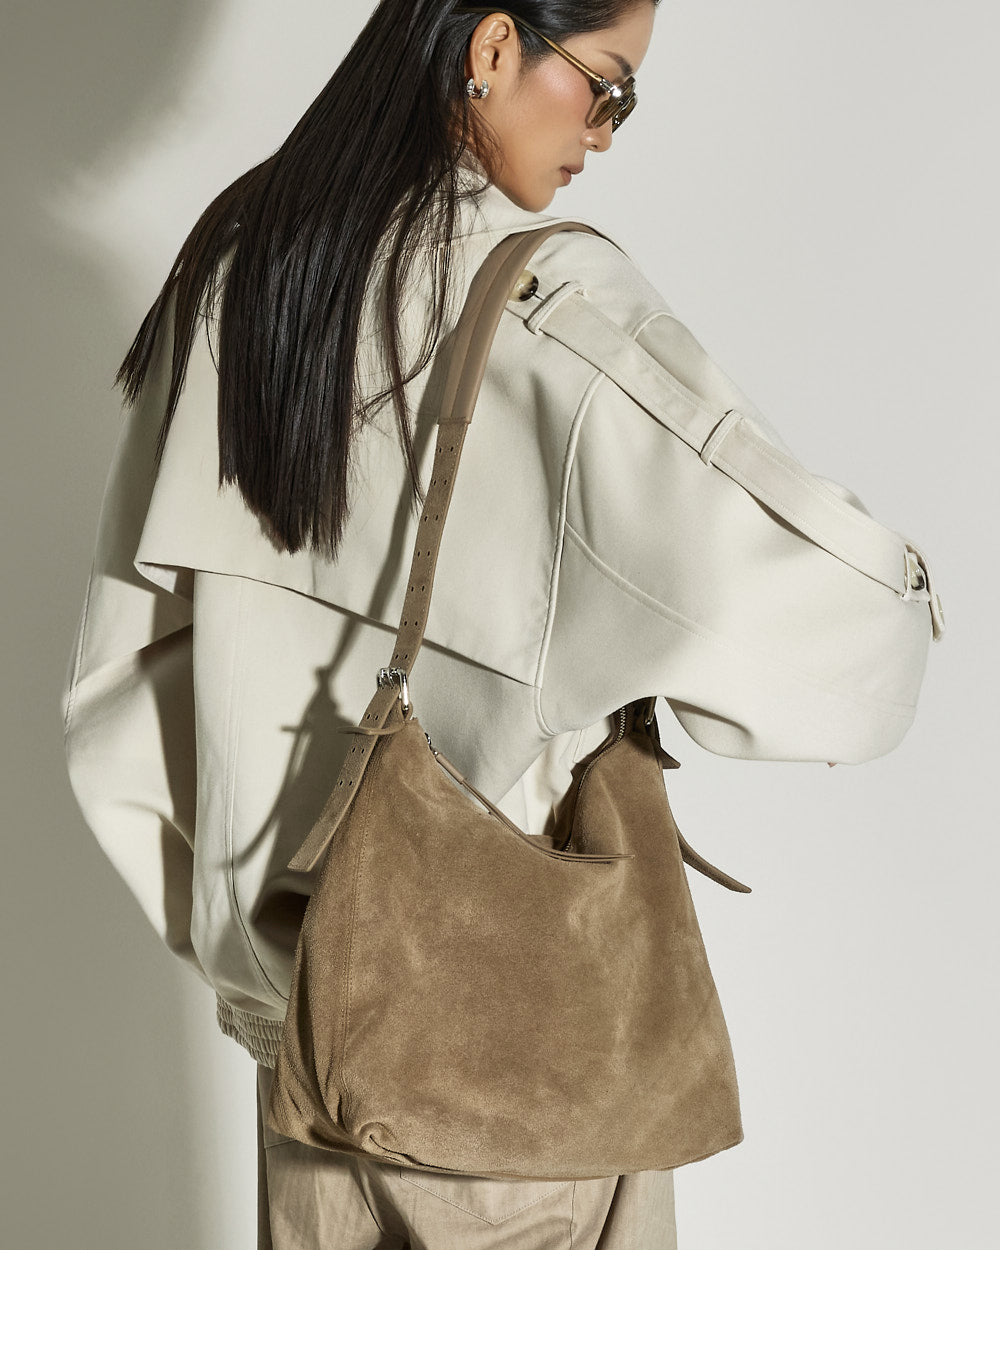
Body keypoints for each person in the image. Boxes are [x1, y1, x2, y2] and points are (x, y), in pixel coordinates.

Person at [61, 1, 929, 1249]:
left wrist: (265, 967)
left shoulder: (238, 263)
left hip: (303, 1062)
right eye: (606, 84)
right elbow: (849, 651)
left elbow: (120, 690)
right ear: (490, 48)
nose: (606, 132)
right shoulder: (549, 300)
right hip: (516, 1081)